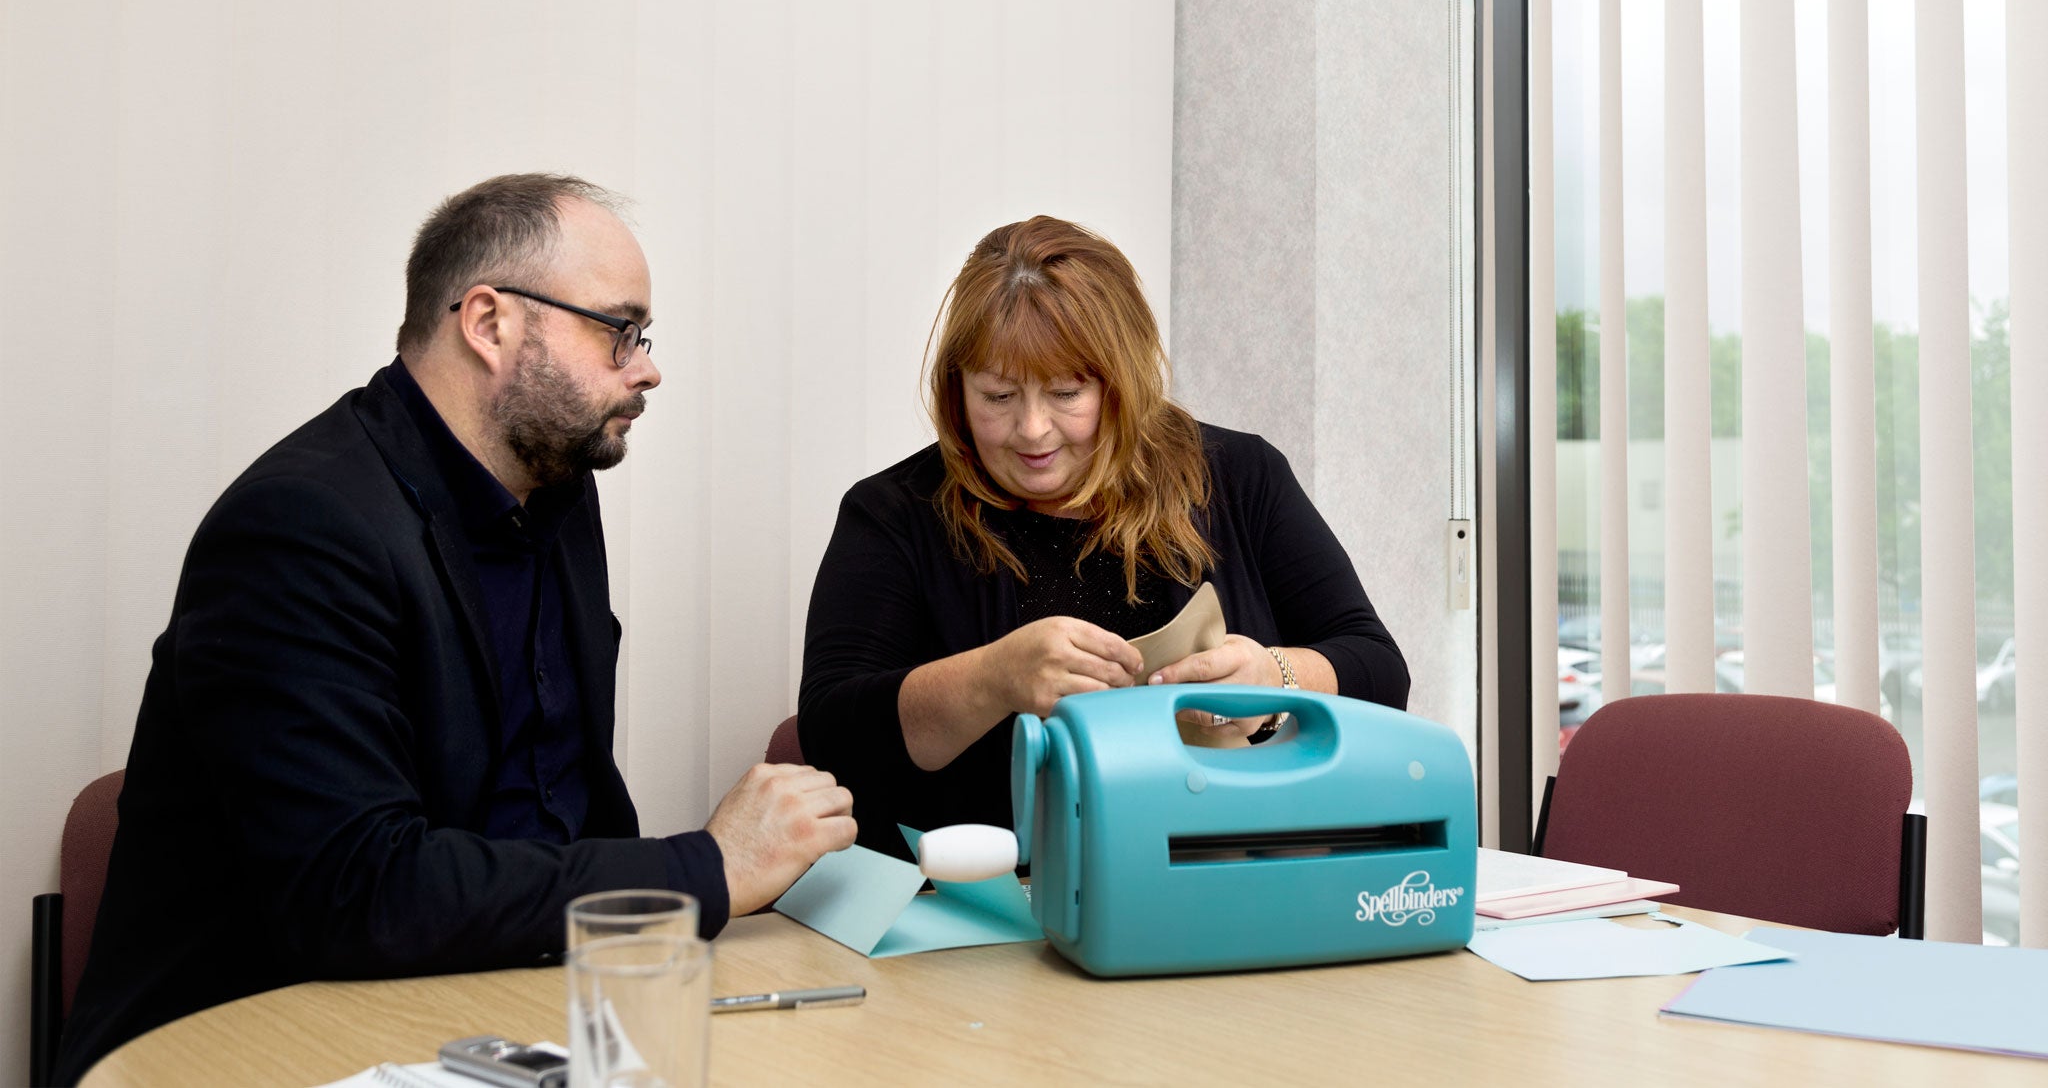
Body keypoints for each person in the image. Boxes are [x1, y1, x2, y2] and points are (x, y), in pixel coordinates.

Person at [56, 174, 857, 1085]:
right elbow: (359, 888)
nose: (647, 366)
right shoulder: (300, 526)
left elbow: (568, 804)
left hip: (490, 1020)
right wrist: (703, 870)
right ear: (489, 323)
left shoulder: (554, 484)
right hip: (252, 1045)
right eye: (619, 329)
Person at [798, 215, 1408, 857]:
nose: (1032, 430)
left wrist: (1274, 676)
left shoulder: (1239, 477)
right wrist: (993, 679)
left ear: (1121, 382)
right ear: (957, 391)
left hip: (1225, 877)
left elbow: (1380, 671)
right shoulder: (895, 513)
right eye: (998, 396)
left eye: (1066, 392)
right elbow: (832, 735)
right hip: (982, 912)